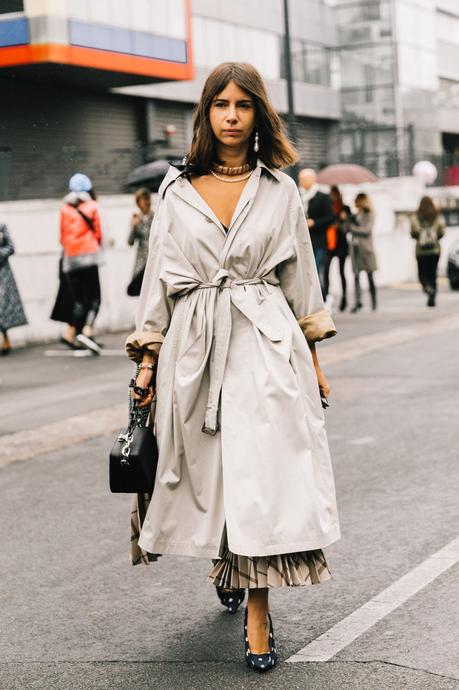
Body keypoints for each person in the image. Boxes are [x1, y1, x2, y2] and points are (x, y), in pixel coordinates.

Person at [124, 62, 340, 673]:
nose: (231, 116)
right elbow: (157, 282)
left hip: (266, 338)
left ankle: (258, 612)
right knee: (212, 467)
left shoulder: (282, 190)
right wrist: (147, 361)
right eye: (220, 104)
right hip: (194, 343)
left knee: (262, 472)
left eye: (243, 105)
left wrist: (316, 361)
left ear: (258, 115)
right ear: (205, 114)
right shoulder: (174, 191)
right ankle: (228, 554)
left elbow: (302, 280)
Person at [57, 173, 103, 353]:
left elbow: (61, 237)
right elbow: (98, 234)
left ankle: (72, 333)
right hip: (89, 256)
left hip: (70, 259)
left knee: (78, 300)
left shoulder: (64, 209)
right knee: (95, 297)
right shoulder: (93, 206)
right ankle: (87, 330)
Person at [298, 168, 334, 297]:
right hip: (301, 242)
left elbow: (330, 218)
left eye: (303, 179)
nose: (301, 182)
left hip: (318, 242)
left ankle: (322, 298)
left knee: (316, 271)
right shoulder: (297, 195)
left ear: (312, 180)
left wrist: (314, 223)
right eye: (300, 179)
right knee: (304, 274)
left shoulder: (323, 197)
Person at [410, 196, 445, 307]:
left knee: (422, 274)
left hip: (421, 251)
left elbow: (413, 232)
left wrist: (421, 235)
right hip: (435, 250)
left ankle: (427, 287)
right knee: (433, 274)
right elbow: (442, 231)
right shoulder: (436, 216)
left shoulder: (416, 217)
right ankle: (432, 298)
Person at [347, 193, 378, 312]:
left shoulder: (369, 215)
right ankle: (357, 302)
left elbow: (367, 230)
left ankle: (374, 301)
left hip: (366, 249)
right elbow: (347, 227)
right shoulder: (355, 215)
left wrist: (353, 228)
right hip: (355, 249)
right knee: (356, 275)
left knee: (370, 276)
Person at [0, 223, 27, 354]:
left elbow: (11, 247)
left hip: (3, 273)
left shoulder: (1, 226)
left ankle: (5, 337)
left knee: (3, 305)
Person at [323, 185, 350, 312]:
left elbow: (349, 227)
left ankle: (344, 299)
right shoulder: (328, 208)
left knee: (341, 272)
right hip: (330, 243)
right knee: (326, 270)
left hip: (341, 244)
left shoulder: (345, 209)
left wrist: (342, 222)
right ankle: (327, 297)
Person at [127, 188, 154, 297]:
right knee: (142, 290)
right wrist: (133, 226)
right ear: (138, 202)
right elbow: (130, 242)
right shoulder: (136, 219)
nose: (147, 202)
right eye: (144, 200)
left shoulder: (157, 216)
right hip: (142, 260)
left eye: (148, 199)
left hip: (155, 257)